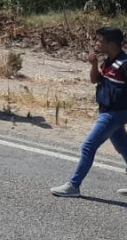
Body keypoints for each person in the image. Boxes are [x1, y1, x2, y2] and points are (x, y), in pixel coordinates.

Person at [51, 27, 127, 198]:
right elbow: (95, 80)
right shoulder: (108, 62)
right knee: (123, 147)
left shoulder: (124, 64)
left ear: (111, 43)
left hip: (114, 113)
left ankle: (73, 186)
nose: (97, 44)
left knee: (88, 146)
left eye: (100, 41)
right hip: (107, 111)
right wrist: (94, 65)